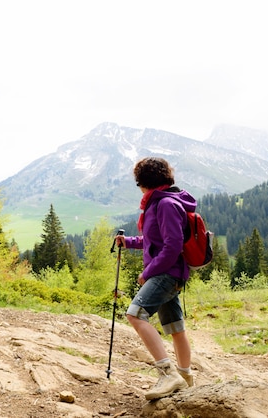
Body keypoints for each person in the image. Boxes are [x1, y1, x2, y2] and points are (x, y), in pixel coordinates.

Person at [115, 157, 195, 401]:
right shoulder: (162, 202)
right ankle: (186, 378)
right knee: (174, 326)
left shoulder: (165, 204)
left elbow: (172, 247)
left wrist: (147, 273)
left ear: (143, 182)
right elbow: (155, 241)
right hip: (172, 272)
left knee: (135, 314)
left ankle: (168, 374)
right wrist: (128, 242)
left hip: (166, 273)